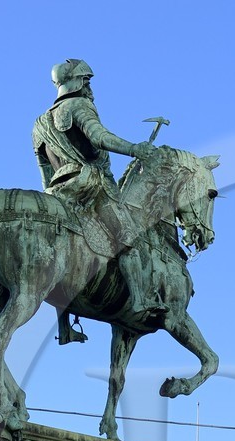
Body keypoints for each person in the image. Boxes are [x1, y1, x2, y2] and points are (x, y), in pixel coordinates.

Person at [31, 58, 164, 339]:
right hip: (91, 186)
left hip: (58, 192)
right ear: (77, 82)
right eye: (87, 80)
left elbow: (44, 170)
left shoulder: (39, 124)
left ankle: (65, 329)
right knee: (129, 237)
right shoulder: (79, 105)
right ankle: (141, 300)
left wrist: (50, 197)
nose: (90, 87)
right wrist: (134, 149)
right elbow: (100, 137)